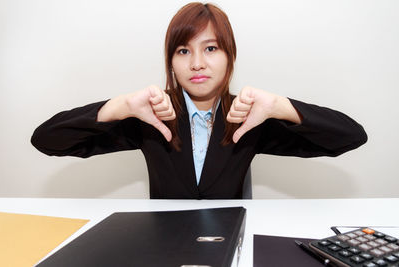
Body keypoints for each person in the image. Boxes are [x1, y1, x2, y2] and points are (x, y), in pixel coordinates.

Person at [31, 2, 367, 199]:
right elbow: (47, 140)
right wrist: (119, 107)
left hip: (234, 244)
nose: (196, 63)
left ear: (229, 56)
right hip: (166, 246)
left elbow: (350, 137)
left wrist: (281, 106)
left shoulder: (250, 115)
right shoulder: (152, 116)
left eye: (210, 48)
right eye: (183, 50)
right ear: (171, 62)